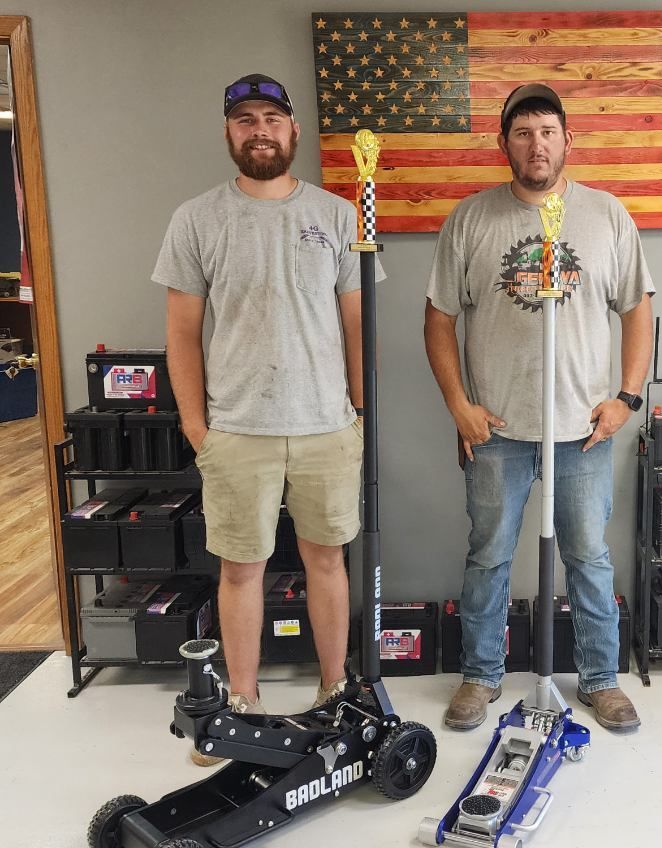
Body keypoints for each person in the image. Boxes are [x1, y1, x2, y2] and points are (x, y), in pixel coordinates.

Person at [153, 74, 372, 764]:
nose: (259, 130)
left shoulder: (338, 217)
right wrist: (197, 426)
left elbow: (356, 326)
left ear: (294, 131)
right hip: (236, 429)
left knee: (326, 561)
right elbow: (182, 333)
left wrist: (357, 413)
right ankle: (239, 703)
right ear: (228, 133)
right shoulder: (196, 219)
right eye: (244, 119)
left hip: (325, 425)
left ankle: (334, 688)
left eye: (271, 118)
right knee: (240, 569)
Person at [424, 83, 655, 731]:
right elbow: (437, 320)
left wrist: (626, 398)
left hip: (582, 431)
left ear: (566, 141)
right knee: (488, 557)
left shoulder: (606, 215)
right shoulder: (471, 218)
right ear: (504, 145)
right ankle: (479, 676)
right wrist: (458, 406)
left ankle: (600, 680)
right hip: (495, 430)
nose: (536, 145)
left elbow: (638, 310)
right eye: (522, 133)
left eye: (547, 132)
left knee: (588, 556)